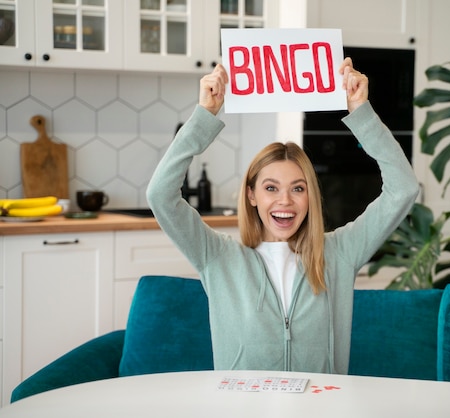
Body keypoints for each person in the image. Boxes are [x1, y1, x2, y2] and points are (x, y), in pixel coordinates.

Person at [146, 57, 420, 375]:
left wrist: (361, 112)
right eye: (271, 188)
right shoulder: (217, 256)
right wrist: (205, 115)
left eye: (298, 188)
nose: (285, 201)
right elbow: (160, 195)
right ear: (251, 195)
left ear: (310, 196)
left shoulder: (340, 252)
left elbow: (403, 188)